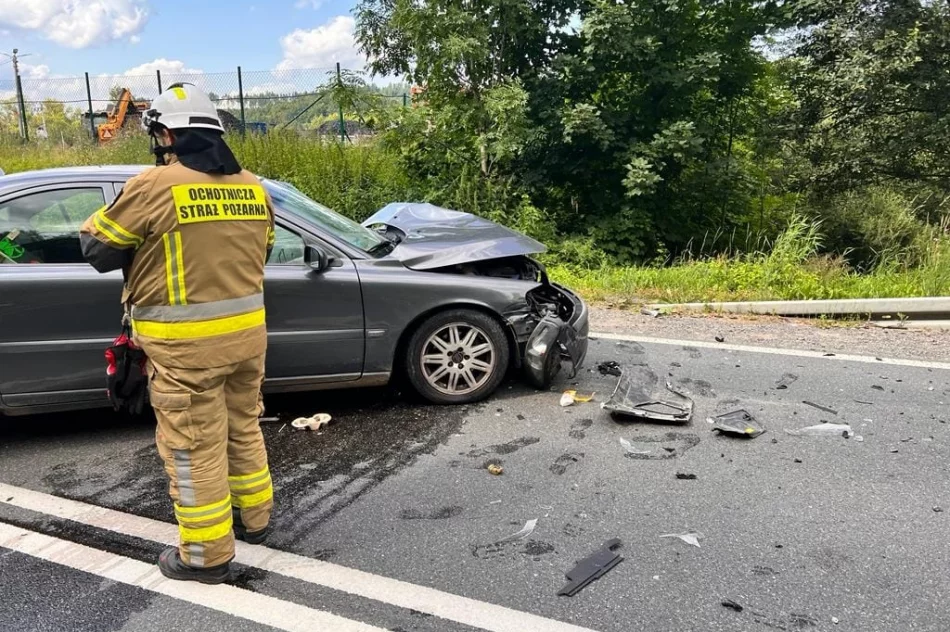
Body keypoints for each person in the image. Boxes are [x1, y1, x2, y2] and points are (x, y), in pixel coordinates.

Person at [80, 83, 276, 584]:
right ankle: (255, 520)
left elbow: (96, 249)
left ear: (166, 133)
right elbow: (264, 250)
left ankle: (206, 557)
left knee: (193, 448)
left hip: (186, 349)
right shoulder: (253, 187)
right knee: (242, 426)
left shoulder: (153, 185)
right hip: (248, 338)